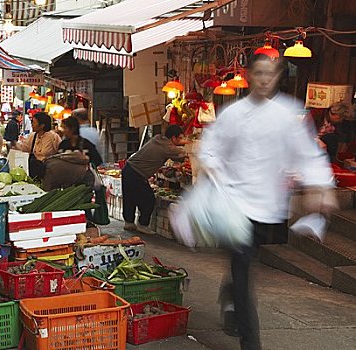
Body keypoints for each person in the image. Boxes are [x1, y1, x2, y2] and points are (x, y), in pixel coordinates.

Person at [198, 53, 336, 350]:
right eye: (259, 73)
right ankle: (251, 341)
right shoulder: (233, 114)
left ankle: (231, 295)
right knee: (245, 269)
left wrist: (321, 186)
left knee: (245, 265)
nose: (264, 79)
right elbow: (210, 148)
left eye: (270, 74)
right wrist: (211, 165)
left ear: (276, 77)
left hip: (269, 207)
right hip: (234, 206)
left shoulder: (288, 113)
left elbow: (307, 154)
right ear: (249, 75)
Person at [122, 125, 188, 235]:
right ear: (173, 138)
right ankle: (143, 225)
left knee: (130, 197)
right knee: (148, 199)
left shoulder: (157, 139)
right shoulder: (167, 147)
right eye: (179, 138)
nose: (181, 140)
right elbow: (180, 155)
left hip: (128, 168)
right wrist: (189, 148)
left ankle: (129, 222)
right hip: (137, 173)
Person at [15, 112, 61, 179]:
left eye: (34, 122)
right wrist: (14, 145)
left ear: (42, 125)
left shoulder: (53, 137)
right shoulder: (32, 136)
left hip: (49, 172)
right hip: (35, 171)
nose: (32, 125)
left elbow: (60, 152)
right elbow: (25, 148)